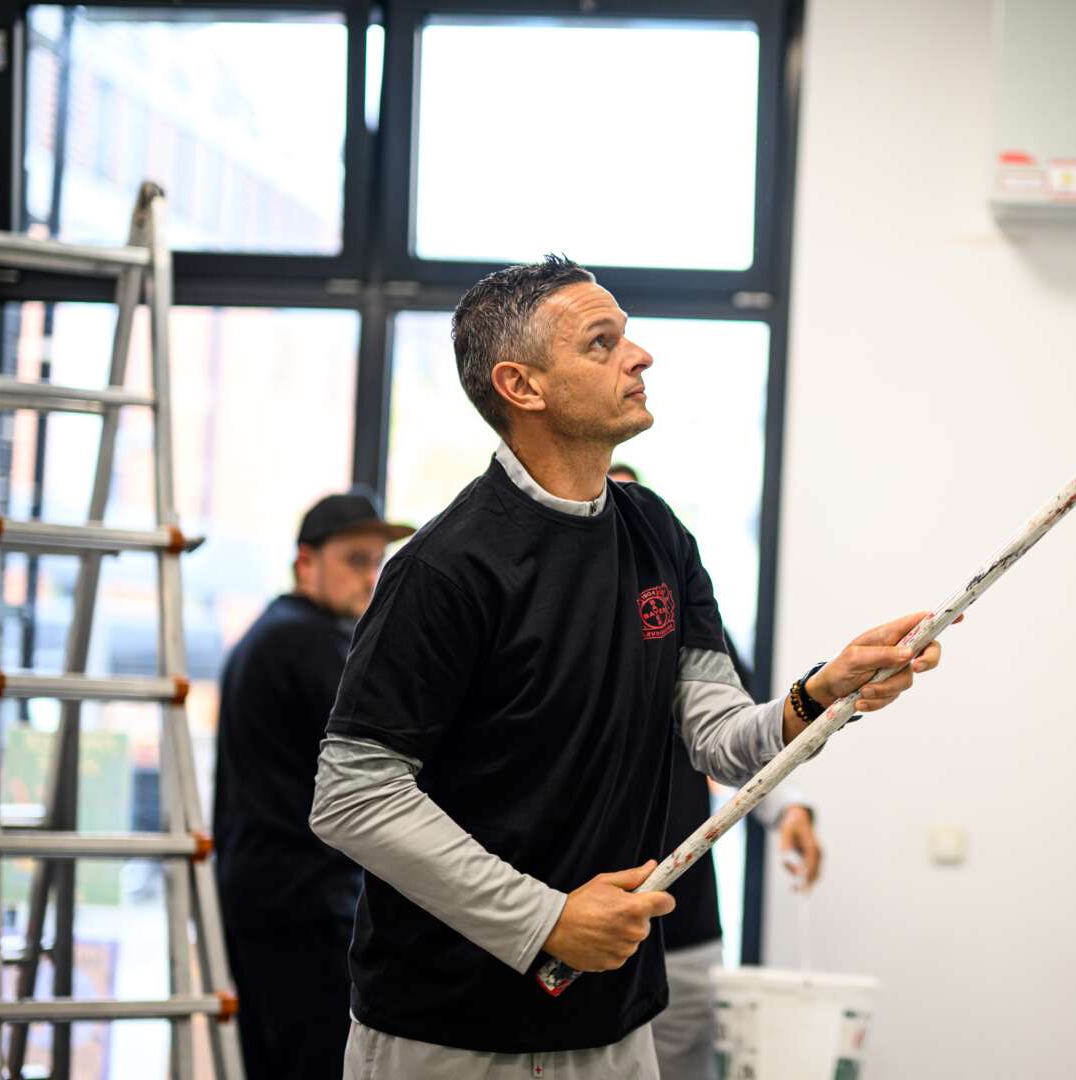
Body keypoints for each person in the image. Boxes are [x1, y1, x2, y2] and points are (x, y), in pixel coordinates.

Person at [308, 255, 947, 1079]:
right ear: (523, 386)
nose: (638, 356)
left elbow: (719, 738)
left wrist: (820, 696)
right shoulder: (445, 567)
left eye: (628, 337)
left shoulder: (655, 532)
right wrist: (544, 920)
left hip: (614, 1026)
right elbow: (353, 795)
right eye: (602, 343)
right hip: (449, 1035)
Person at [607, 463, 824, 1080]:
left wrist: (791, 809)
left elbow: (742, 737)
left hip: (683, 920)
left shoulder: (685, 621)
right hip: (574, 920)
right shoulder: (546, 622)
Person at [212, 490, 414, 1080]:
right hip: (299, 904)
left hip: (269, 896)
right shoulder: (304, 642)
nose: (369, 579)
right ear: (306, 561)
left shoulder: (274, 632)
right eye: (355, 560)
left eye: (377, 563)